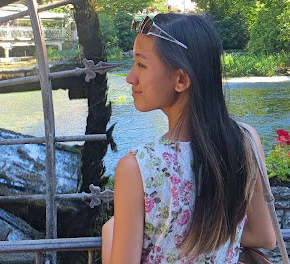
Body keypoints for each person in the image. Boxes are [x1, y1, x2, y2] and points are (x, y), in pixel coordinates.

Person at [102, 13, 276, 263]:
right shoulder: (246, 141)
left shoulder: (138, 167)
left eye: (141, 65)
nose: (130, 77)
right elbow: (264, 237)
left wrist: (110, 234)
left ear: (181, 79)